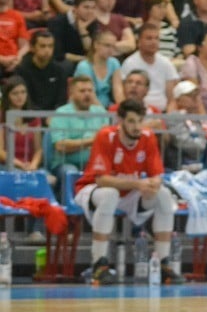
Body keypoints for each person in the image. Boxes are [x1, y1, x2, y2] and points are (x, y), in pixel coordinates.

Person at [74, 98, 182, 285]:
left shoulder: (148, 137)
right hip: (93, 189)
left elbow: (157, 174)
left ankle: (163, 265)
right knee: (110, 194)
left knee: (164, 195)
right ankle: (99, 265)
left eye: (140, 121)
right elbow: (102, 180)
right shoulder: (105, 136)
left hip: (129, 192)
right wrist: (139, 185)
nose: (137, 126)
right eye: (131, 121)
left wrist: (153, 185)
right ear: (120, 121)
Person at [48, 76, 110, 198]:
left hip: (94, 163)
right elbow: (60, 145)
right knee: (70, 172)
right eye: (82, 91)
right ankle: (71, 210)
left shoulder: (100, 112)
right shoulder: (62, 113)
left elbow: (106, 142)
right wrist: (91, 141)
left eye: (90, 91)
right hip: (66, 162)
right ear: (72, 93)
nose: (87, 94)